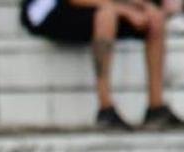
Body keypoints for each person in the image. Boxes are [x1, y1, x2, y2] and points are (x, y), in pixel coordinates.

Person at [21, 0, 184, 130]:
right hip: (49, 11)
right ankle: (106, 108)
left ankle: (156, 107)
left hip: (98, 6)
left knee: (155, 17)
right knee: (106, 15)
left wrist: (140, 4)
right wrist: (123, 9)